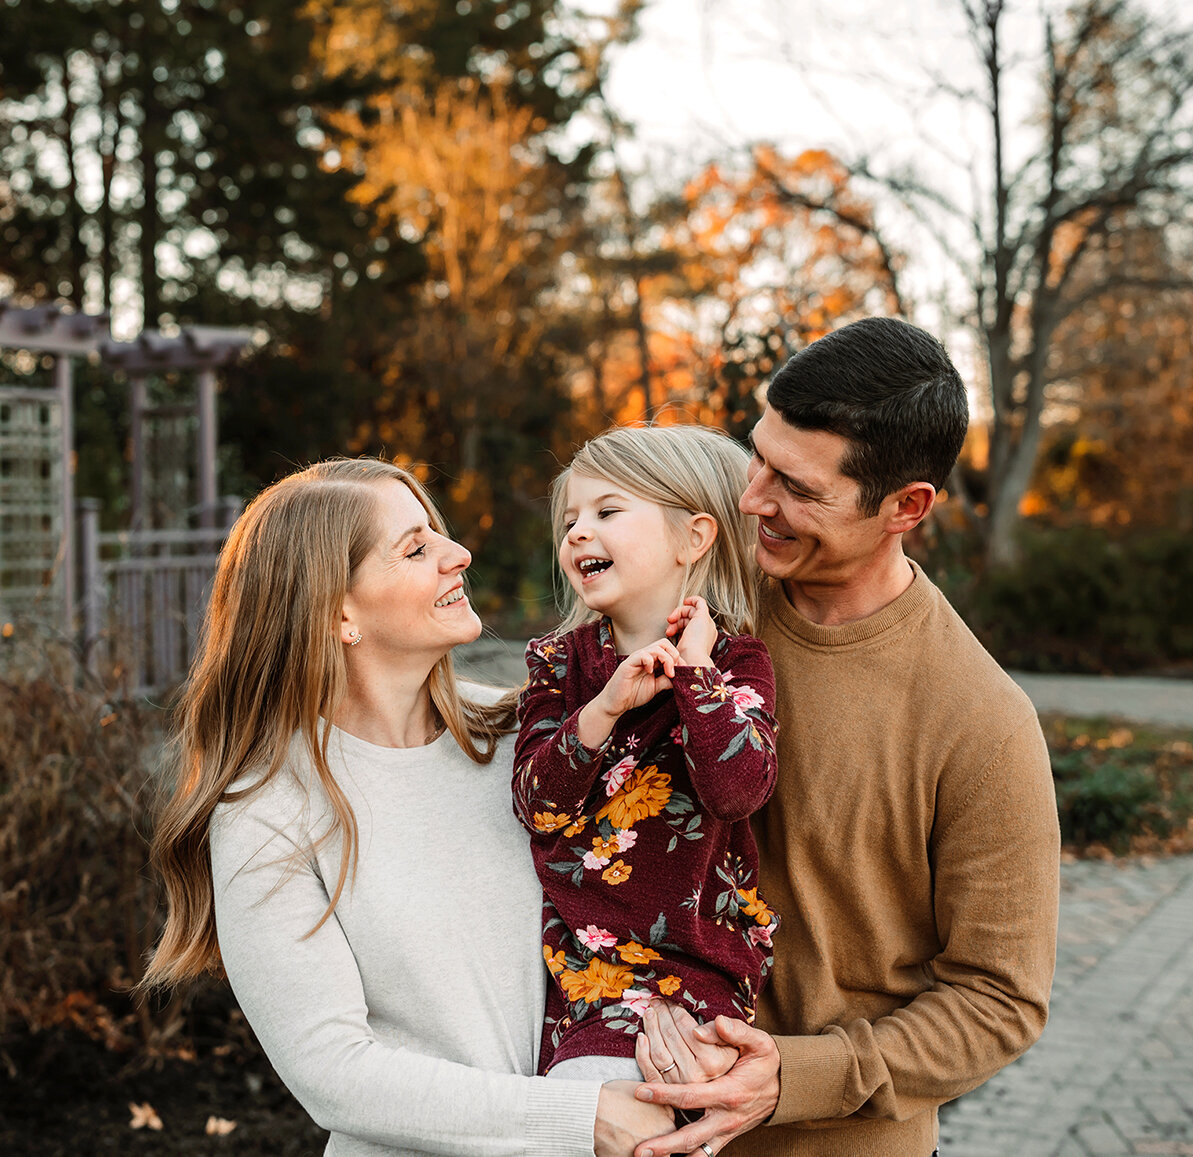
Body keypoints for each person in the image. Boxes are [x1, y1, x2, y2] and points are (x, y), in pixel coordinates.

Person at [141, 458, 672, 1156]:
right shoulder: (267, 811)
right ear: (338, 611)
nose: (460, 555)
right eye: (417, 548)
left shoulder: (530, 740)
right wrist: (577, 1116)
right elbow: (335, 1073)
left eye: (438, 535)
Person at [629, 318, 1061, 1157]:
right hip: (626, 1119)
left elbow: (1000, 1000)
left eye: (799, 488)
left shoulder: (981, 720)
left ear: (907, 506)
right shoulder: (701, 594)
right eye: (758, 456)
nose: (753, 498)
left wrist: (794, 1076)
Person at [511, 426, 780, 1082]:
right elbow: (535, 805)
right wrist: (602, 708)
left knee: (656, 1115)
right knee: (589, 1110)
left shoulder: (735, 663)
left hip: (698, 968)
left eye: (606, 511)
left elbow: (738, 788)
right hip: (581, 969)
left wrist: (693, 673)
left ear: (693, 537)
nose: (577, 531)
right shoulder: (558, 662)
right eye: (570, 518)